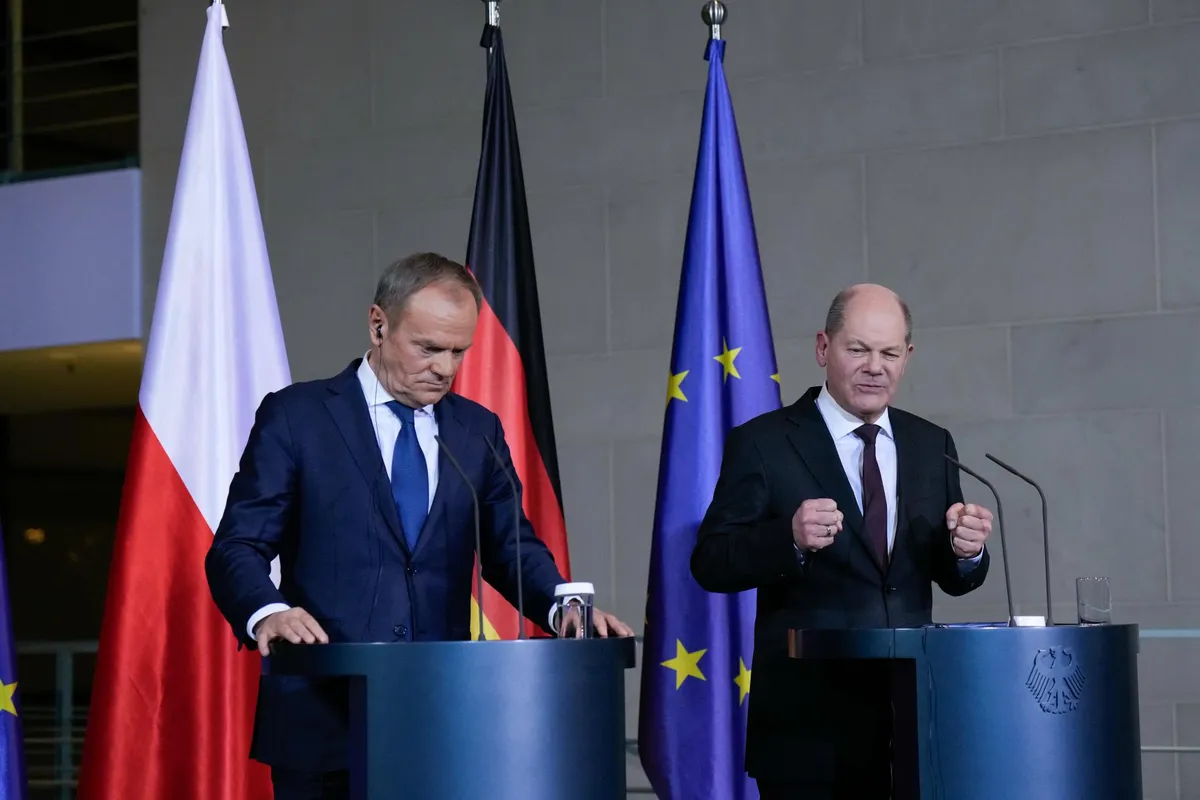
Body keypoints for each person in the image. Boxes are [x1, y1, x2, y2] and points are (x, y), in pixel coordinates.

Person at [205, 252, 633, 800]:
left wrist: (564, 609)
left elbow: (511, 546)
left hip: (446, 719)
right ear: (378, 325)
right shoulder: (298, 417)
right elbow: (237, 546)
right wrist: (269, 612)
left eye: (459, 351)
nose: (445, 369)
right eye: (428, 348)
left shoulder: (476, 431)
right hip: (323, 720)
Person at [690, 283, 993, 799]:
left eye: (889, 353)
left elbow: (947, 573)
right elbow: (711, 561)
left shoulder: (931, 444)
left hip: (912, 728)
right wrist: (787, 539)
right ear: (823, 349)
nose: (875, 366)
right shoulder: (764, 442)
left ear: (907, 357)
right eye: (858, 349)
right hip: (808, 733)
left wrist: (967, 552)